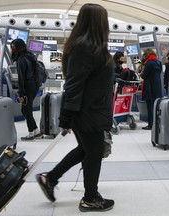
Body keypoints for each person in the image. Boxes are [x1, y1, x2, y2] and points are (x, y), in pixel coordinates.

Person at [35, 3, 115, 212]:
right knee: (94, 153)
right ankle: (90, 198)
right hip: (88, 113)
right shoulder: (85, 47)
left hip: (91, 111)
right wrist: (66, 117)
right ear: (98, 22)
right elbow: (74, 83)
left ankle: (50, 178)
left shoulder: (89, 46)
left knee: (85, 150)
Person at [10, 38, 42, 141]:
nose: (12, 49)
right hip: (34, 85)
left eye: (13, 47)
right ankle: (36, 130)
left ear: (17, 47)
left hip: (27, 86)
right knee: (26, 109)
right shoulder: (30, 56)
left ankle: (31, 133)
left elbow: (21, 78)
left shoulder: (21, 59)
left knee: (26, 109)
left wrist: (20, 93)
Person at [140, 48, 164, 130]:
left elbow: (144, 75)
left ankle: (150, 125)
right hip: (157, 87)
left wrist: (142, 72)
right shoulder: (159, 63)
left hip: (149, 87)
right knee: (156, 107)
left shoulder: (149, 63)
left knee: (150, 107)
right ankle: (156, 124)